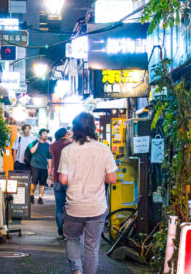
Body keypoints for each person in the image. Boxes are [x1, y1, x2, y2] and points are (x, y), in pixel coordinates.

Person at [58, 112, 117, 274]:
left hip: (74, 206)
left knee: (72, 239)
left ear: (74, 128)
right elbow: (112, 179)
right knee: (92, 247)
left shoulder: (68, 150)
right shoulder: (104, 150)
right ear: (93, 128)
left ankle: (77, 270)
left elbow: (63, 180)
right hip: (96, 206)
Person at [49, 127, 72, 237]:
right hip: (70, 180)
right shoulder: (71, 144)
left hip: (57, 179)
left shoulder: (53, 145)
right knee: (70, 207)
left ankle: (60, 230)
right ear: (66, 134)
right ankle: (68, 230)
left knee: (59, 207)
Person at [29, 128, 52, 205]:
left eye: (46, 134)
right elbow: (32, 151)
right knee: (34, 182)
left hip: (43, 167)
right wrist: (38, 143)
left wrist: (49, 168)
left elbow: (49, 158)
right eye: (44, 133)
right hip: (35, 165)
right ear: (40, 135)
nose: (46, 135)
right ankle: (31, 195)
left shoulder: (48, 146)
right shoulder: (34, 142)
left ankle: (40, 198)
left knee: (42, 183)